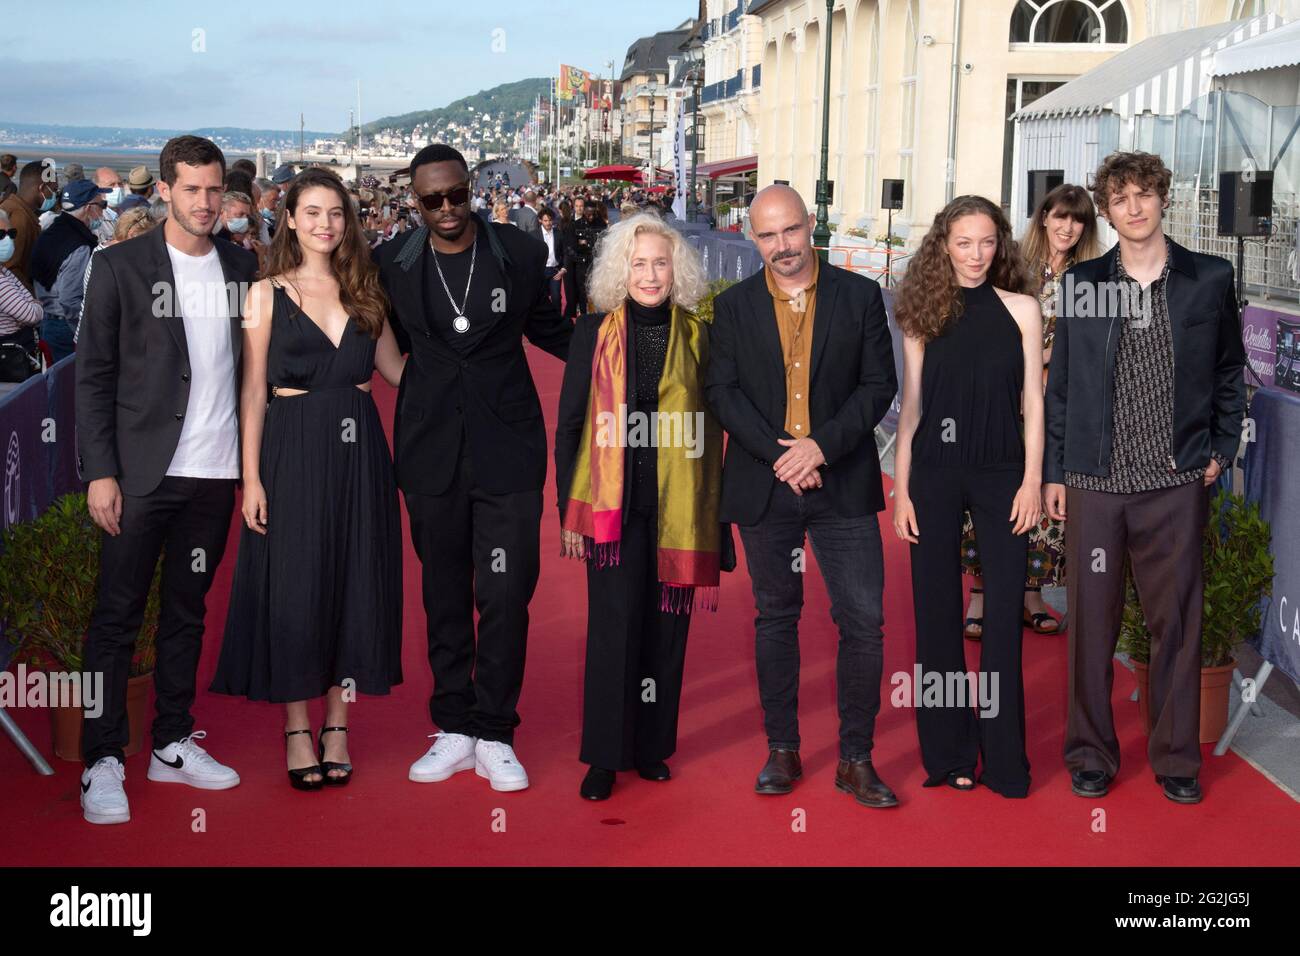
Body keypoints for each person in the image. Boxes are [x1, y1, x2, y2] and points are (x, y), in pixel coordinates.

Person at [1045, 151, 1246, 805]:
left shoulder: (1207, 278)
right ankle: (1091, 755)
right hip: (1096, 483)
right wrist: (1054, 471)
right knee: (1091, 629)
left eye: (1144, 194)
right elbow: (1064, 388)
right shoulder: (1084, 285)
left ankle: (1177, 759)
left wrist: (1219, 448)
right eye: (1121, 198)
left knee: (1178, 627)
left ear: (1163, 200)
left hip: (1173, 482)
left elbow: (1227, 374)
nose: (1134, 207)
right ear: (1106, 210)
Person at [373, 144, 571, 792]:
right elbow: (359, 332)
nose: (449, 208)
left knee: (508, 594)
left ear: (472, 188)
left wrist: (631, 349)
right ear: (415, 201)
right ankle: (453, 724)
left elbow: (551, 328)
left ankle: (495, 730)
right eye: (433, 199)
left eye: (457, 194)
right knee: (445, 593)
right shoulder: (392, 264)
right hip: (430, 454)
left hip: (508, 451)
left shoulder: (516, 252)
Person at [75, 135, 257, 825]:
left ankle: (172, 743)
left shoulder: (241, 265)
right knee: (114, 620)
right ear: (164, 191)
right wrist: (101, 473)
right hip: (143, 477)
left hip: (213, 477)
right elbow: (92, 378)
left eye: (215, 190)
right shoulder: (119, 266)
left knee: (187, 614)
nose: (206, 202)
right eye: (192, 190)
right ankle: (102, 758)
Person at [705, 184, 899, 808]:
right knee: (775, 616)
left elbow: (877, 386)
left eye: (791, 230)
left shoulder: (860, 295)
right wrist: (782, 455)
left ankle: (856, 759)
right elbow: (724, 393)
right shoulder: (731, 307)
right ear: (750, 237)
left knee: (863, 621)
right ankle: (782, 748)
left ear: (810, 225)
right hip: (765, 485)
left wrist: (820, 448)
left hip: (841, 481)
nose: (783, 246)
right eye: (768, 235)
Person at [211, 168, 405, 790]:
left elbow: (398, 372)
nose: (326, 223)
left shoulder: (365, 291)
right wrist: (252, 478)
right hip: (290, 451)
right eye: (313, 212)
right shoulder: (264, 294)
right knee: (295, 585)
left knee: (351, 580)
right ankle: (298, 727)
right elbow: (250, 389)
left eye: (337, 213)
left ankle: (337, 726)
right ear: (290, 219)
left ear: (348, 223)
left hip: (358, 455)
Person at [555, 212, 725, 801]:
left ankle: (651, 747)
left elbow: (715, 426)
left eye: (659, 263)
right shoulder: (593, 333)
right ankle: (605, 756)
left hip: (678, 507)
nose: (649, 274)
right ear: (618, 270)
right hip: (613, 506)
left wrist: (718, 518)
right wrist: (568, 509)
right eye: (638, 263)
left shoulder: (699, 336)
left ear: (675, 269)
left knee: (666, 633)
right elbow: (572, 423)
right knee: (612, 631)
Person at [891, 195, 1041, 798]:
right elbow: (912, 409)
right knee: (936, 619)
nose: (976, 255)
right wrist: (901, 491)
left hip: (1005, 474)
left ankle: (1005, 761)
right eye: (963, 243)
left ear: (999, 243)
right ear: (943, 245)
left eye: (986, 242)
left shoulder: (1024, 309)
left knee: (1003, 618)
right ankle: (949, 754)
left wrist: (1032, 479)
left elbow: (1033, 402)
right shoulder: (922, 311)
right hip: (933, 473)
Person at [961, 185, 1099, 641]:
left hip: (1059, 402)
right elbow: (987, 321)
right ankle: (980, 594)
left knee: (1041, 490)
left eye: (1077, 220)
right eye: (1060, 216)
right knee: (994, 492)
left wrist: (1045, 359)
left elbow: (1093, 342)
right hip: (1005, 397)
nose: (1067, 227)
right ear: (1044, 217)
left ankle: (1031, 596)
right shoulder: (1013, 265)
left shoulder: (1093, 277)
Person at [32, 178, 108, 362]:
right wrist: (83, 331)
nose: (103, 211)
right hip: (65, 326)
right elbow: (70, 298)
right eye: (102, 204)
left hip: (49, 319)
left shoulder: (51, 232)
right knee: (70, 386)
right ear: (89, 207)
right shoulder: (79, 245)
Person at [0, 207, 43, 381]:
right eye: (0, 235)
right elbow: (31, 314)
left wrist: (32, 305)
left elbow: (27, 303)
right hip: (10, 361)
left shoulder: (4, 271)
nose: (8, 239)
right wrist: (36, 306)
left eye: (11, 233)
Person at [0, 160, 55, 294]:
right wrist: (31, 299)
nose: (54, 195)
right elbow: (11, 269)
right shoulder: (19, 217)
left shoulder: (16, 209)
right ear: (41, 188)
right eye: (53, 190)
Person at [538, 206, 566, 310]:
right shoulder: (534, 234)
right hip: (541, 271)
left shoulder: (558, 233)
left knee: (556, 298)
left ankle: (557, 322)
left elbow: (565, 252)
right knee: (541, 299)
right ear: (540, 220)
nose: (548, 223)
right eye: (545, 220)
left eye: (550, 220)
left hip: (555, 271)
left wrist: (563, 269)